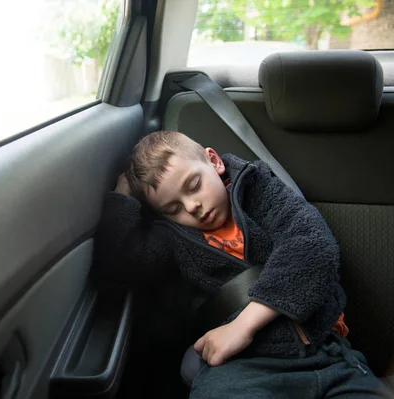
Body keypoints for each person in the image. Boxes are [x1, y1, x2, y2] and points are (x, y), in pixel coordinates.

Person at [94, 130, 391, 398]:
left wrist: (243, 326)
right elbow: (120, 261)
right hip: (242, 365)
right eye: (174, 208)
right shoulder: (175, 238)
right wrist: (123, 197)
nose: (192, 207)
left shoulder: (257, 188)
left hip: (324, 349)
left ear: (214, 161)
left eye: (194, 185)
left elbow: (312, 245)